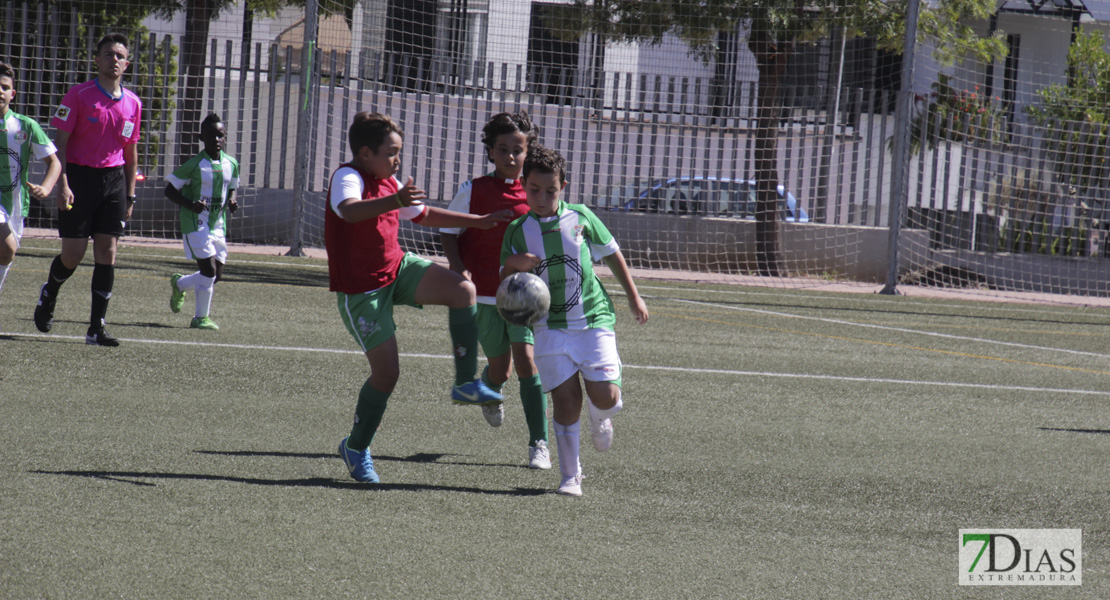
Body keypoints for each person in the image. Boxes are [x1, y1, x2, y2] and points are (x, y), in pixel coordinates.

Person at [330, 112, 511, 483]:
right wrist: (394, 198)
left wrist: (476, 220)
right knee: (387, 374)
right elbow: (348, 212)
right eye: (392, 152)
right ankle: (356, 447)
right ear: (365, 153)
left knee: (463, 289)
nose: (398, 160)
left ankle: (465, 383)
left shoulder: (387, 180)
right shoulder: (348, 177)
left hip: (396, 270)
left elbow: (423, 214)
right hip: (362, 292)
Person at [500, 145, 649, 497]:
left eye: (550, 191)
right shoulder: (518, 230)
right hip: (548, 328)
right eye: (534, 190)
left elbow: (611, 252)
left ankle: (602, 415)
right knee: (566, 401)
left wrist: (633, 295)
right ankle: (571, 476)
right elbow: (505, 279)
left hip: (593, 319)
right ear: (524, 185)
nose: (541, 197)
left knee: (608, 397)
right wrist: (514, 265)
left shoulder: (581, 217)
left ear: (563, 186)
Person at [439, 112, 551, 470]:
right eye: (502, 149)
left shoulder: (535, 191)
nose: (511, 157)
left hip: (522, 296)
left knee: (527, 363)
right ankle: (489, 392)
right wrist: (458, 267)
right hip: (485, 297)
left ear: (528, 150)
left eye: (517, 150)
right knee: (500, 372)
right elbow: (446, 229)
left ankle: (539, 444)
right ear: (490, 152)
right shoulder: (473, 190)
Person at [34, 33, 142, 346]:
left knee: (107, 252)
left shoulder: (133, 103)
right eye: (109, 54)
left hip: (114, 182)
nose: (115, 60)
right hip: (78, 179)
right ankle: (49, 292)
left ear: (127, 63)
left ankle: (96, 327)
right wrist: (62, 184)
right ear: (96, 60)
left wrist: (130, 193)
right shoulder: (79, 95)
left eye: (120, 56)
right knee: (72, 255)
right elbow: (61, 146)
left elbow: (131, 152)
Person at [164, 113, 240, 330]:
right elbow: (169, 191)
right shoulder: (195, 165)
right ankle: (200, 318)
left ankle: (180, 284)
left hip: (218, 224)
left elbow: (232, 185)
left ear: (225, 137)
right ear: (201, 137)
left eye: (220, 135)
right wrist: (190, 204)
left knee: (216, 276)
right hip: (195, 222)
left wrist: (232, 201)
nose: (216, 139)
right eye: (211, 135)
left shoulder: (231, 163)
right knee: (208, 271)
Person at [0, 62, 62, 313]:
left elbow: (54, 162)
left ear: (12, 94)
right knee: (7, 247)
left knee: (6, 255)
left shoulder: (25, 126)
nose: (0, 91)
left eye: (5, 87)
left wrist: (46, 189)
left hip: (15, 204)